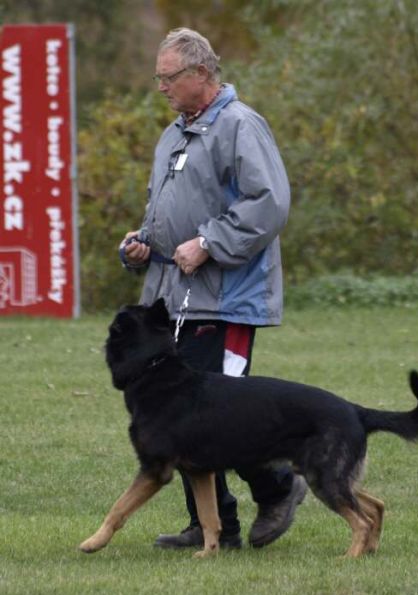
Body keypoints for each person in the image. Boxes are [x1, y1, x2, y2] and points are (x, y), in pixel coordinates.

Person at [120, 27, 306, 550]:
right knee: (181, 414)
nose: (160, 87)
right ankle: (211, 527)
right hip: (173, 301)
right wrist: (140, 244)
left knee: (227, 414)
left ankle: (278, 489)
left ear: (201, 73)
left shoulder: (240, 125)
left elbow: (269, 203)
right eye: (158, 77)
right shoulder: (173, 134)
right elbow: (165, 212)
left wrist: (209, 243)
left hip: (227, 301)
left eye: (169, 77)